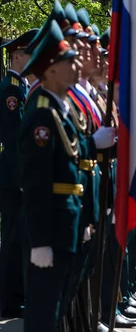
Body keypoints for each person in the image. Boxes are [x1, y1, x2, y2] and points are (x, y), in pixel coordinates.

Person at [19, 20, 115, 332]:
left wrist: (86, 216)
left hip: (71, 218)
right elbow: (36, 181)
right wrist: (40, 241)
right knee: (46, 311)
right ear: (49, 70)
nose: (76, 64)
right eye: (67, 61)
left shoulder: (61, 109)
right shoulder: (43, 114)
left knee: (61, 301)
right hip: (55, 224)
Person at [0, 28, 37, 319]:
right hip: (14, 176)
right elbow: (13, 141)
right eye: (30, 52)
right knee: (13, 238)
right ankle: (10, 300)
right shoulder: (12, 89)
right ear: (17, 55)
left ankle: (16, 296)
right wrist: (23, 179)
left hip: (17, 173)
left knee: (19, 236)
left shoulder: (20, 86)